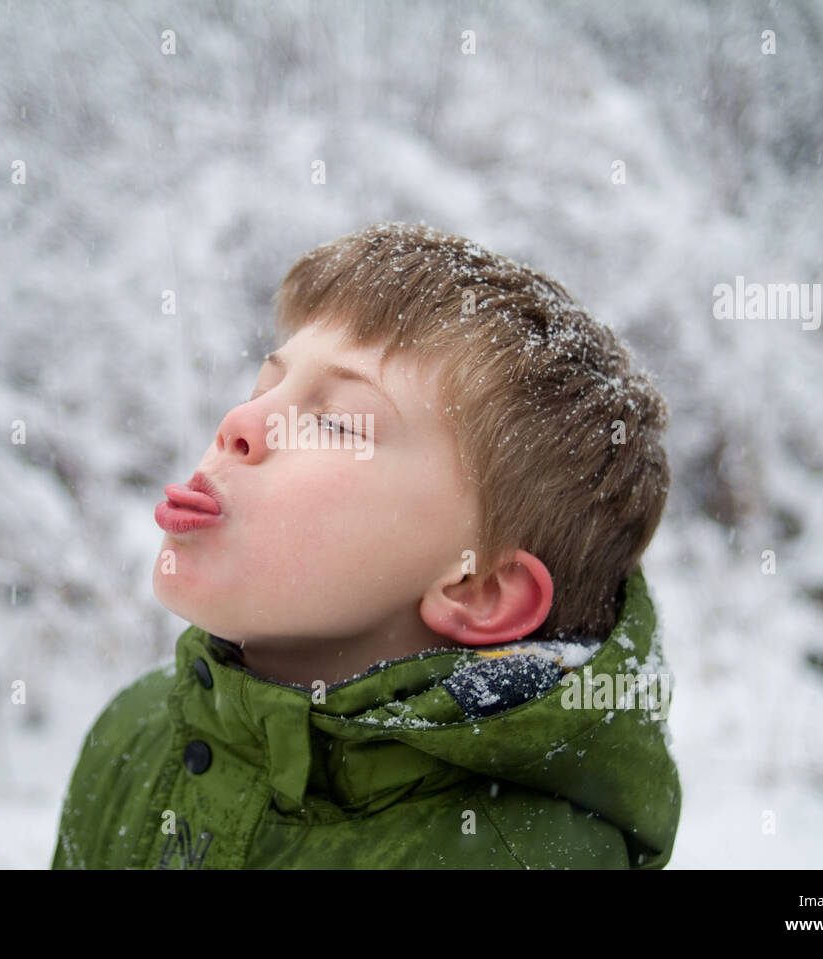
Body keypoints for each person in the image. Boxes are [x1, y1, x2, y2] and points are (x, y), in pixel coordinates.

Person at [51, 221, 679, 869]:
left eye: (335, 420)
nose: (239, 424)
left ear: (478, 586)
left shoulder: (519, 858)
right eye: (265, 388)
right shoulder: (137, 733)